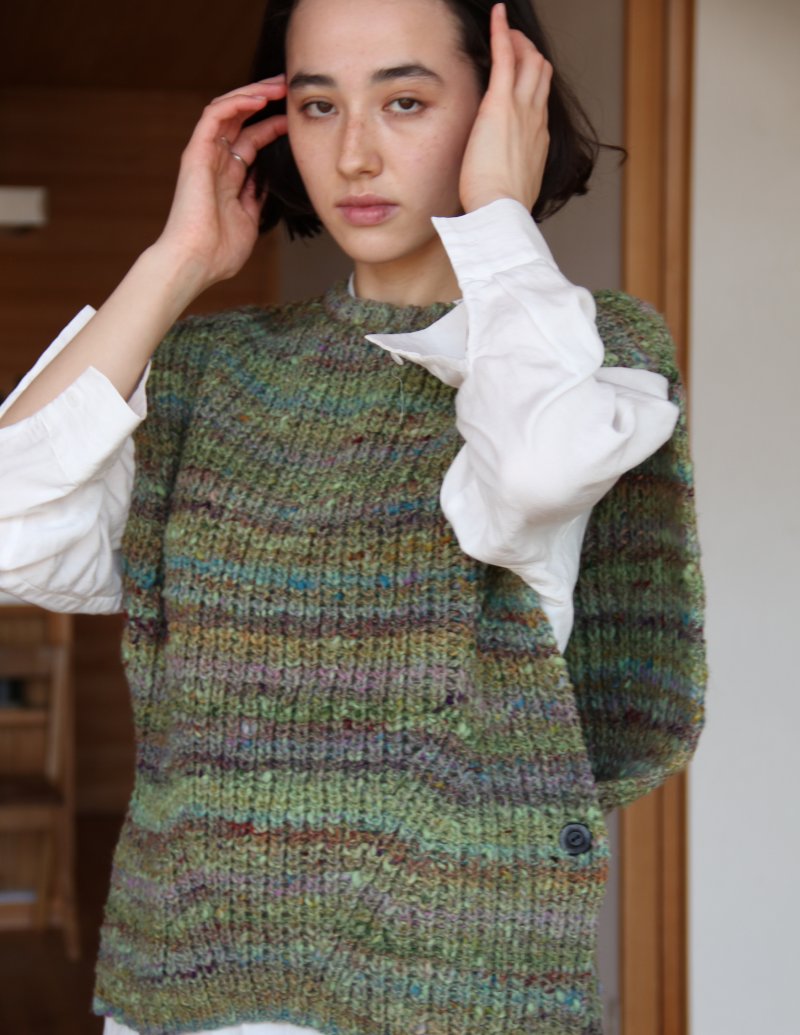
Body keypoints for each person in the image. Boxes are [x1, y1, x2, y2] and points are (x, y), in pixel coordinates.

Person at [0, 1, 707, 1033]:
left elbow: (534, 470)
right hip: (193, 982)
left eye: (405, 101)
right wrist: (174, 262)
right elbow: (12, 524)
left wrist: (497, 219)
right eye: (317, 106)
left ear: (501, 110)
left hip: (454, 985)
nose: (355, 154)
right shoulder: (213, 367)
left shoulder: (582, 353)